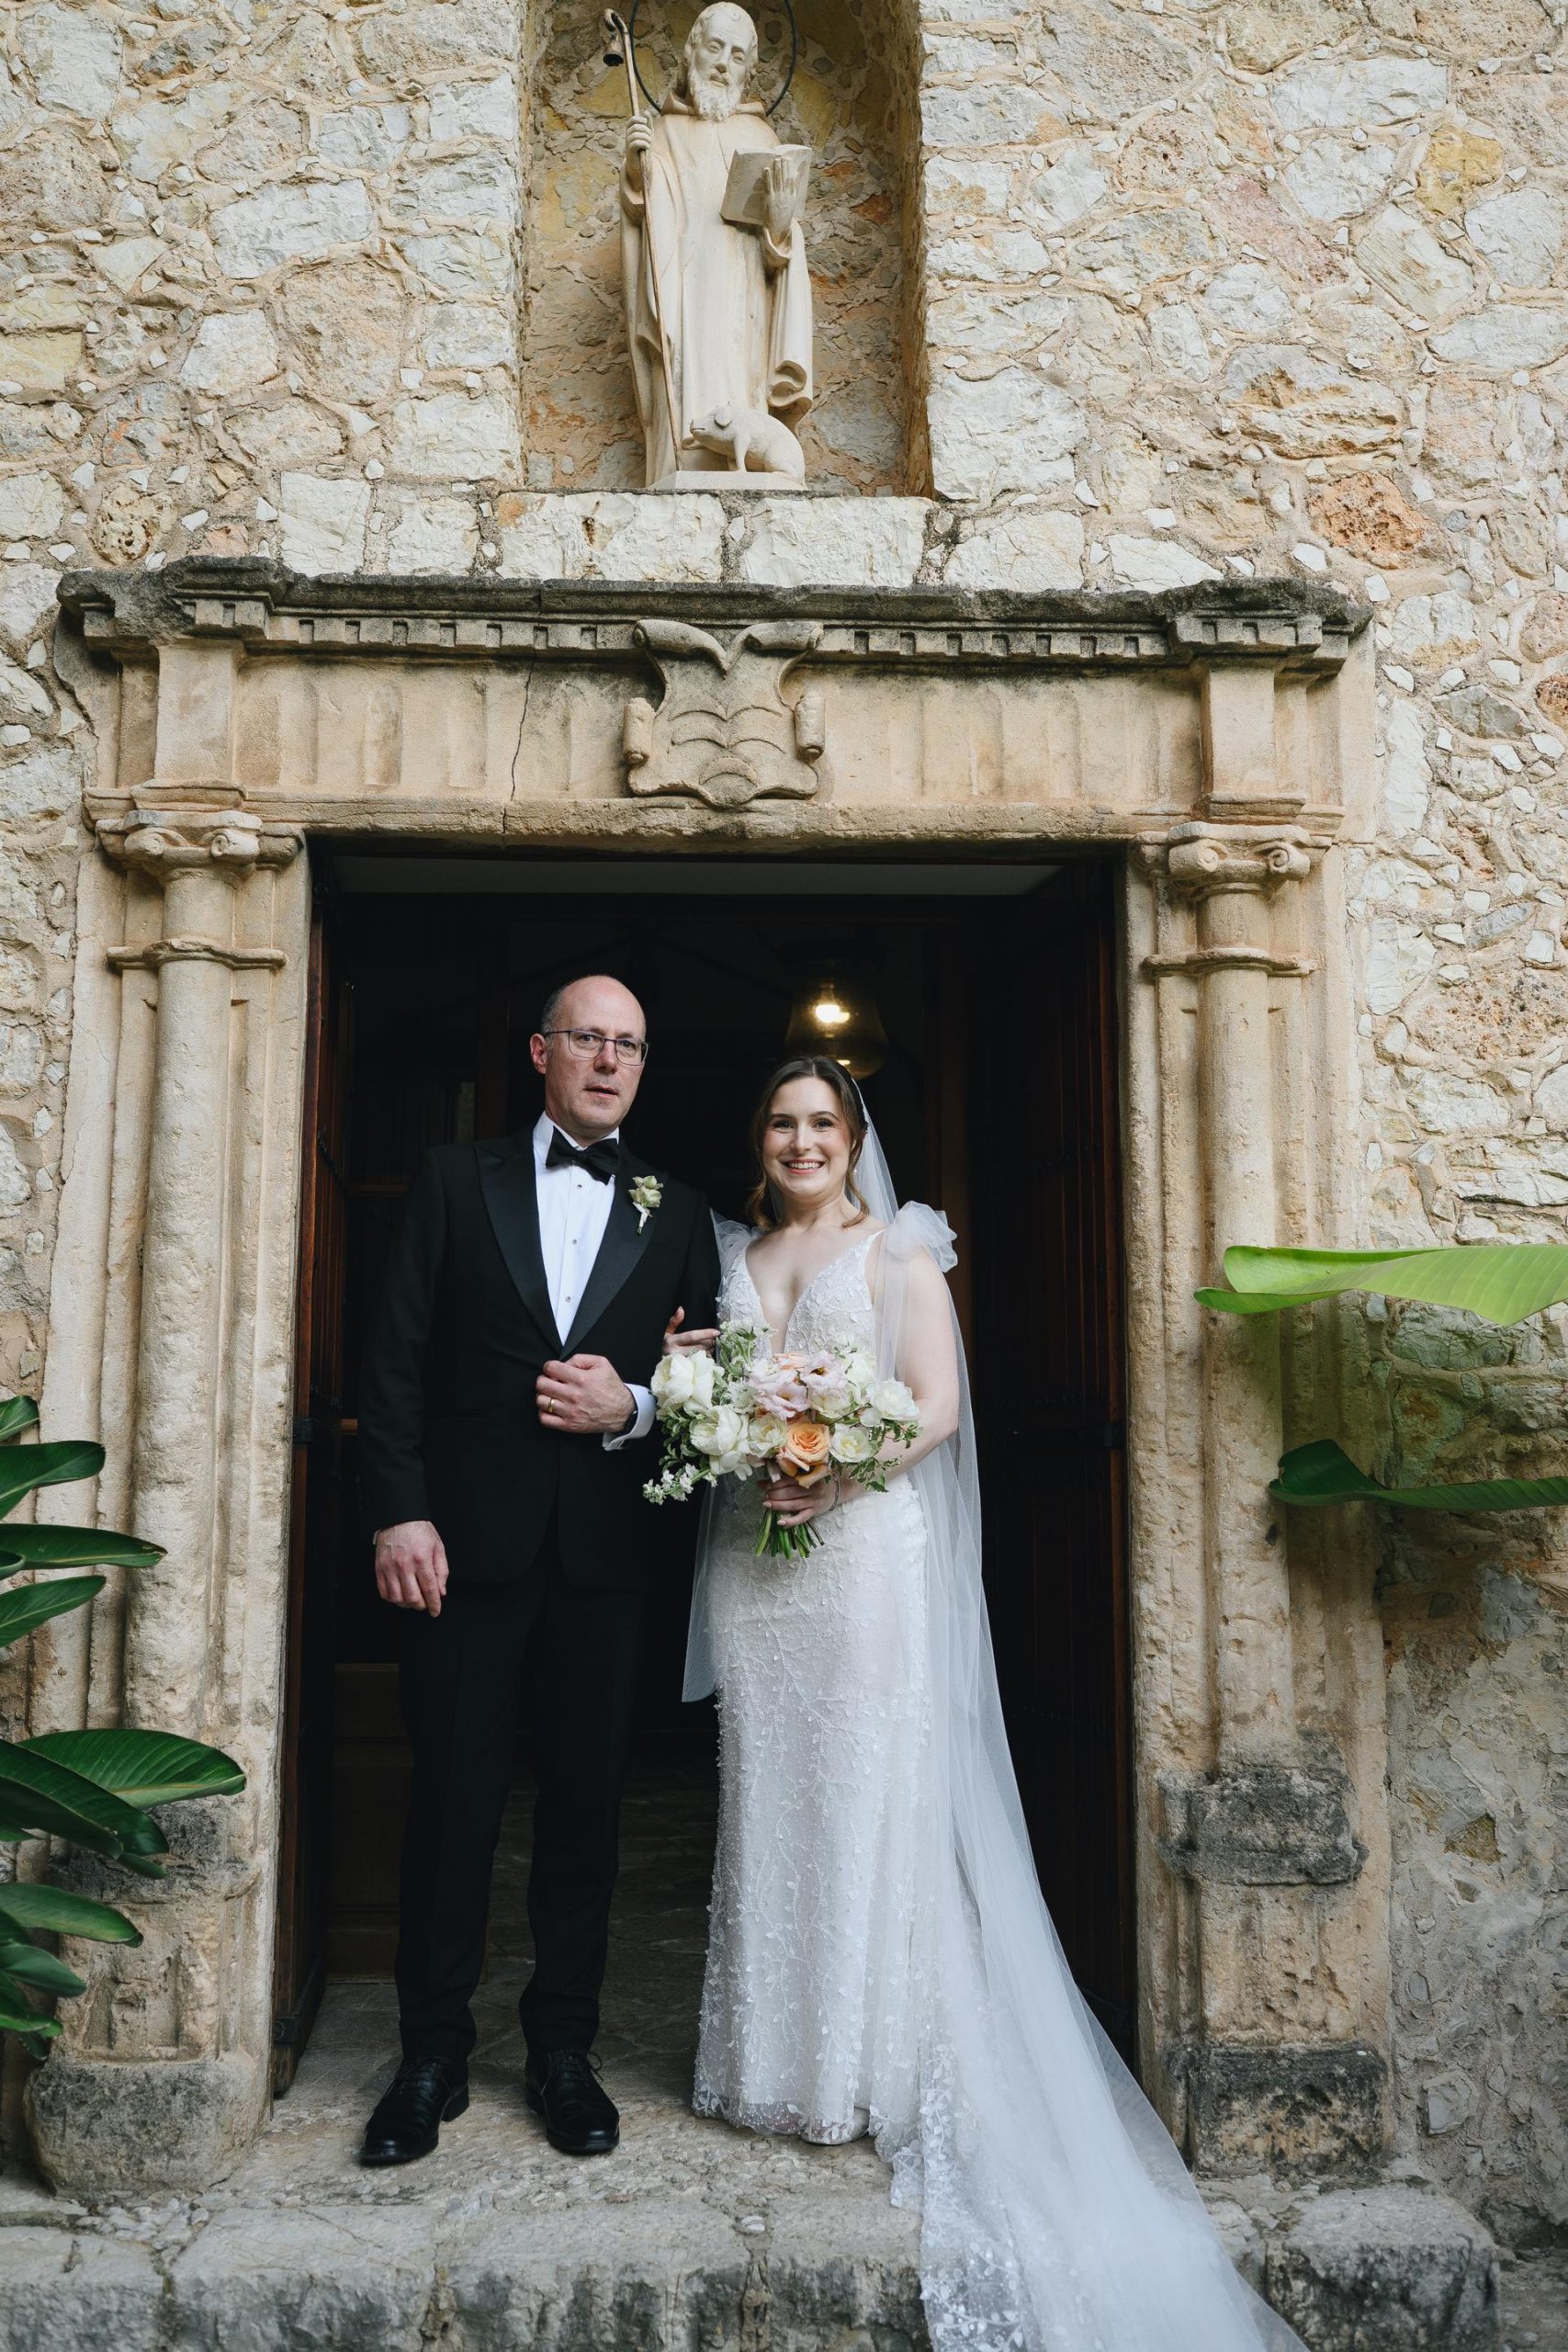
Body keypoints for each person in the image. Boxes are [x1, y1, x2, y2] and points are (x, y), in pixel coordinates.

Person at [675, 1057, 1308, 2352]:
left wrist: (838, 1475)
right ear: (764, 1141)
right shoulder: (736, 1252)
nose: (801, 1142)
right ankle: (772, 2065)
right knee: (769, 1798)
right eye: (781, 1123)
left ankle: (859, 2067)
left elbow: (938, 1408)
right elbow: (725, 1389)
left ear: (853, 1141)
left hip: (856, 1561)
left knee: (861, 1795)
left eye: (821, 1124)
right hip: (757, 1566)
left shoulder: (896, 1249)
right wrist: (704, 1389)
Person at [356, 975, 718, 2165]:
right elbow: (394, 1354)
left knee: (583, 1814)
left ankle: (564, 2050)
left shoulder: (675, 1210)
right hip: (460, 1549)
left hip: (604, 1557)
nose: (608, 1061)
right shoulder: (457, 1179)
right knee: (451, 1803)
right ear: (539, 1051)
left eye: (629, 1044)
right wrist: (398, 1513)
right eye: (588, 1039)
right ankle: (429, 2054)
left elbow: (719, 1384)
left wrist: (634, 1404)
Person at [619, 1, 813, 486]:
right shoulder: (665, 131)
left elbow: (783, 257)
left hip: (744, 289)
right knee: (685, 372)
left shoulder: (759, 134)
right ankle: (679, 461)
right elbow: (643, 216)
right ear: (691, 53)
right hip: (684, 283)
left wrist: (781, 223)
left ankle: (742, 460)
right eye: (715, 48)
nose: (725, 63)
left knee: (739, 373)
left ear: (749, 70)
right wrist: (636, 165)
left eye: (739, 55)